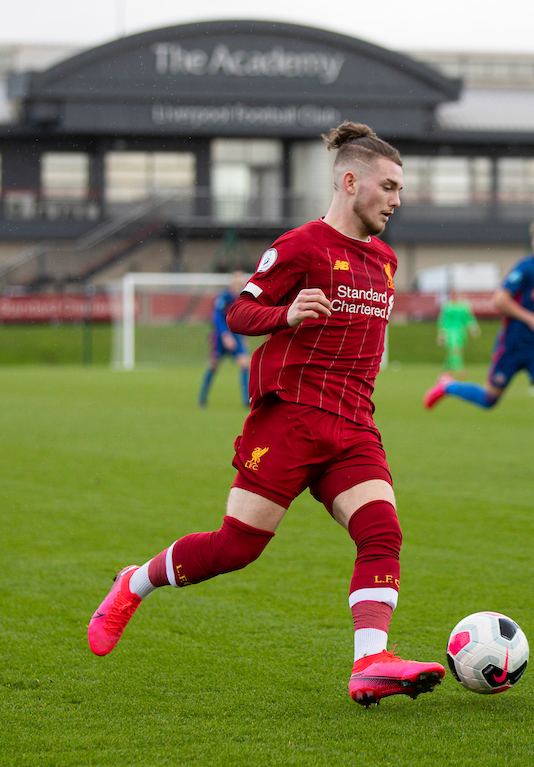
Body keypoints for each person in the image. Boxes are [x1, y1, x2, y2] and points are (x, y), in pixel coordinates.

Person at [88, 121, 445, 707]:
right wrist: (286, 314)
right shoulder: (301, 246)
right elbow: (239, 313)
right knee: (237, 547)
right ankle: (134, 582)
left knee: (381, 532)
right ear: (350, 181)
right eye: (388, 186)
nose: (396, 200)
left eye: (401, 189)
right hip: (291, 419)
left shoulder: (385, 259)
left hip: (354, 423)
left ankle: (370, 663)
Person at [423, 218, 534, 475]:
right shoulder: (525, 268)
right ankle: (448, 386)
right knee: (489, 399)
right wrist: (530, 318)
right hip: (511, 347)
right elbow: (500, 300)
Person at [198, 270, 251, 408]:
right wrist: (225, 335)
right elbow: (216, 317)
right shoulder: (223, 298)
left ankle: (246, 400)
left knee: (245, 364)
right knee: (213, 366)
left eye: (241, 282)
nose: (238, 285)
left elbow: (244, 320)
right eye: (236, 282)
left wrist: (244, 338)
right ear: (232, 282)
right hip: (221, 338)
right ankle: (202, 398)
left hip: (236, 337)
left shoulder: (244, 299)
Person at [436, 287, 480, 375]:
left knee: (457, 350)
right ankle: (459, 369)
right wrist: (441, 332)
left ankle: (447, 368)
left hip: (461, 331)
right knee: (455, 349)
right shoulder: (448, 306)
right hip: (450, 331)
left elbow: (468, 318)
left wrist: (474, 327)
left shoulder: (464, 306)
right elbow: (443, 320)